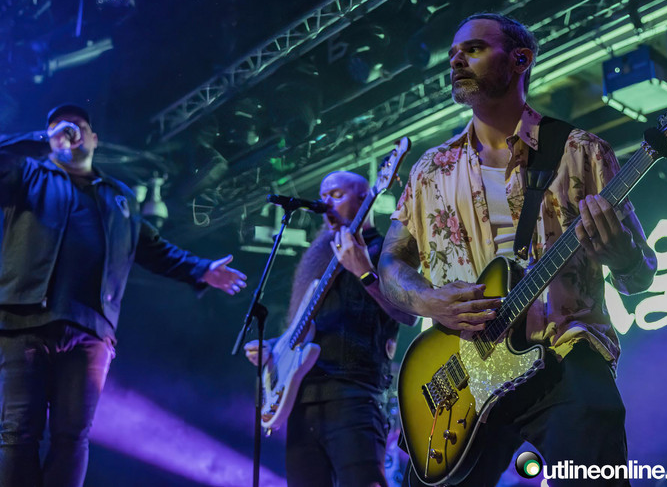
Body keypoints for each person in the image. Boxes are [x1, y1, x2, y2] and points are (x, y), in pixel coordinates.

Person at [377, 14, 657, 486]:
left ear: (520, 60)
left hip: (564, 350)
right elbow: (390, 263)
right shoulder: (430, 170)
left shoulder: (581, 151)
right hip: (464, 371)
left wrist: (620, 252)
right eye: (453, 54)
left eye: (473, 49)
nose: (456, 61)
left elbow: (641, 273)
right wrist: (428, 300)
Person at [0, 104, 248, 487]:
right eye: (60, 126)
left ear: (95, 139)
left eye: (78, 125)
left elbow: (153, 248)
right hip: (24, 322)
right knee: (18, 430)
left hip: (91, 331)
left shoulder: (120, 197)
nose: (69, 131)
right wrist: (42, 139)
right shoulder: (26, 175)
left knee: (72, 436)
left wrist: (202, 269)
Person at [244, 171, 416, 487]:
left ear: (365, 198)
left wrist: (364, 271)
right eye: (323, 196)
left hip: (353, 396)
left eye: (336, 195)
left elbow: (407, 314)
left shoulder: (386, 250)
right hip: (301, 401)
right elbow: (305, 325)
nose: (325, 203)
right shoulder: (319, 254)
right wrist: (274, 349)